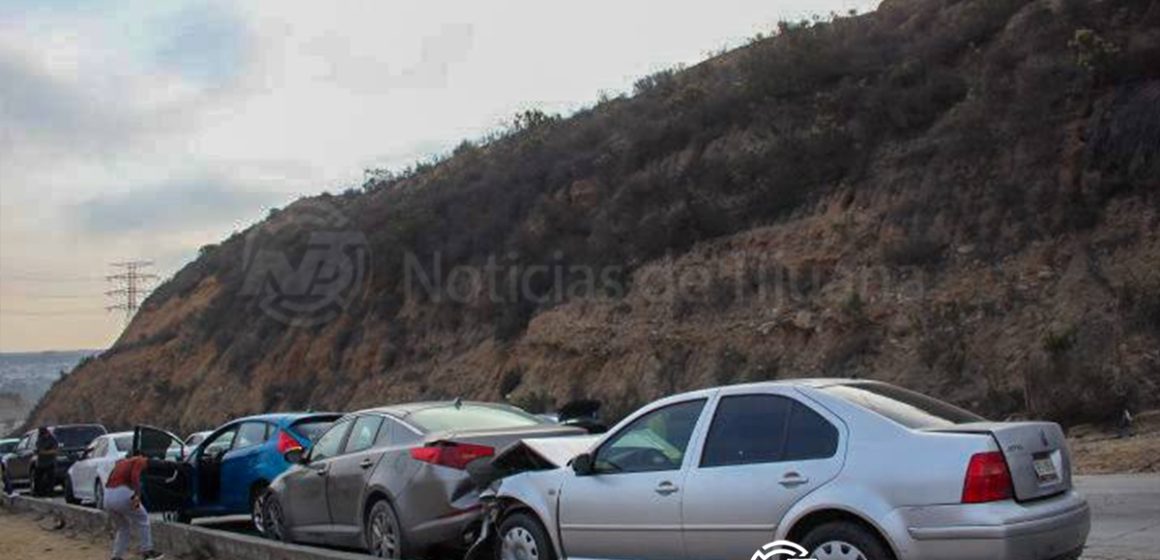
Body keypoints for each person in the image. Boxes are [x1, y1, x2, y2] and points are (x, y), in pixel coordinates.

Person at [103, 455, 165, 560]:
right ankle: (147, 551)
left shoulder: (120, 464)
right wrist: (137, 495)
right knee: (143, 519)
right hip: (122, 494)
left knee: (123, 527)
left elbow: (108, 481)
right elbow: (135, 477)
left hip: (108, 496)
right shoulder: (139, 460)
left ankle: (116, 556)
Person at [33, 427, 58, 496]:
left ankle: (50, 492)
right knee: (37, 478)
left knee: (51, 478)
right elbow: (39, 451)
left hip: (51, 462)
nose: (45, 435)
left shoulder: (52, 438)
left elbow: (55, 450)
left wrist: (46, 451)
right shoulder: (39, 439)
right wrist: (48, 451)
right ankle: (37, 492)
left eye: (45, 434)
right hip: (41, 462)